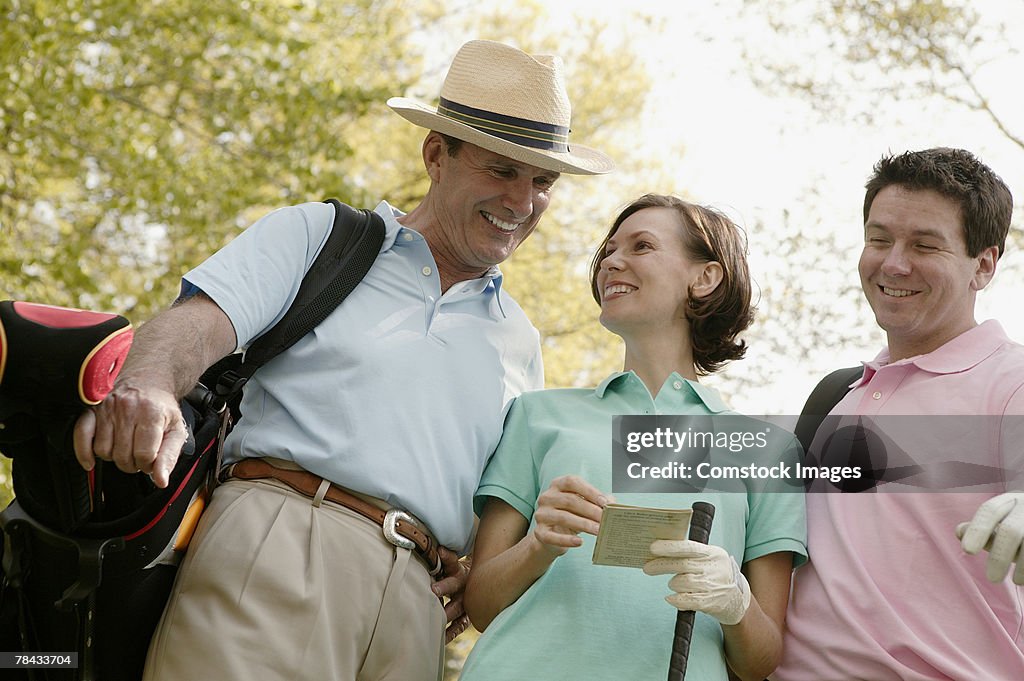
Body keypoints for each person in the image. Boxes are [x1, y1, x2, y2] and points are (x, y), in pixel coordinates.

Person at [71, 39, 613, 681]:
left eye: (542, 181)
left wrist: (476, 569)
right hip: (279, 546)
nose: (523, 203)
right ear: (436, 154)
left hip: (416, 607)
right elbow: (197, 324)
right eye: (502, 171)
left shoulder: (520, 341)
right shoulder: (320, 236)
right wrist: (151, 384)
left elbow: (497, 504)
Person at [458, 194, 808, 681]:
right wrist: (538, 544)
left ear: (704, 277)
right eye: (610, 249)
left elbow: (760, 662)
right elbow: (481, 606)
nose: (611, 261)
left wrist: (735, 601)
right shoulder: (537, 415)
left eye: (642, 246)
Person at [774, 148, 1024, 680]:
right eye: (879, 239)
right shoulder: (834, 397)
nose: (893, 263)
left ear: (983, 264)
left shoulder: (1012, 382)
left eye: (925, 245)